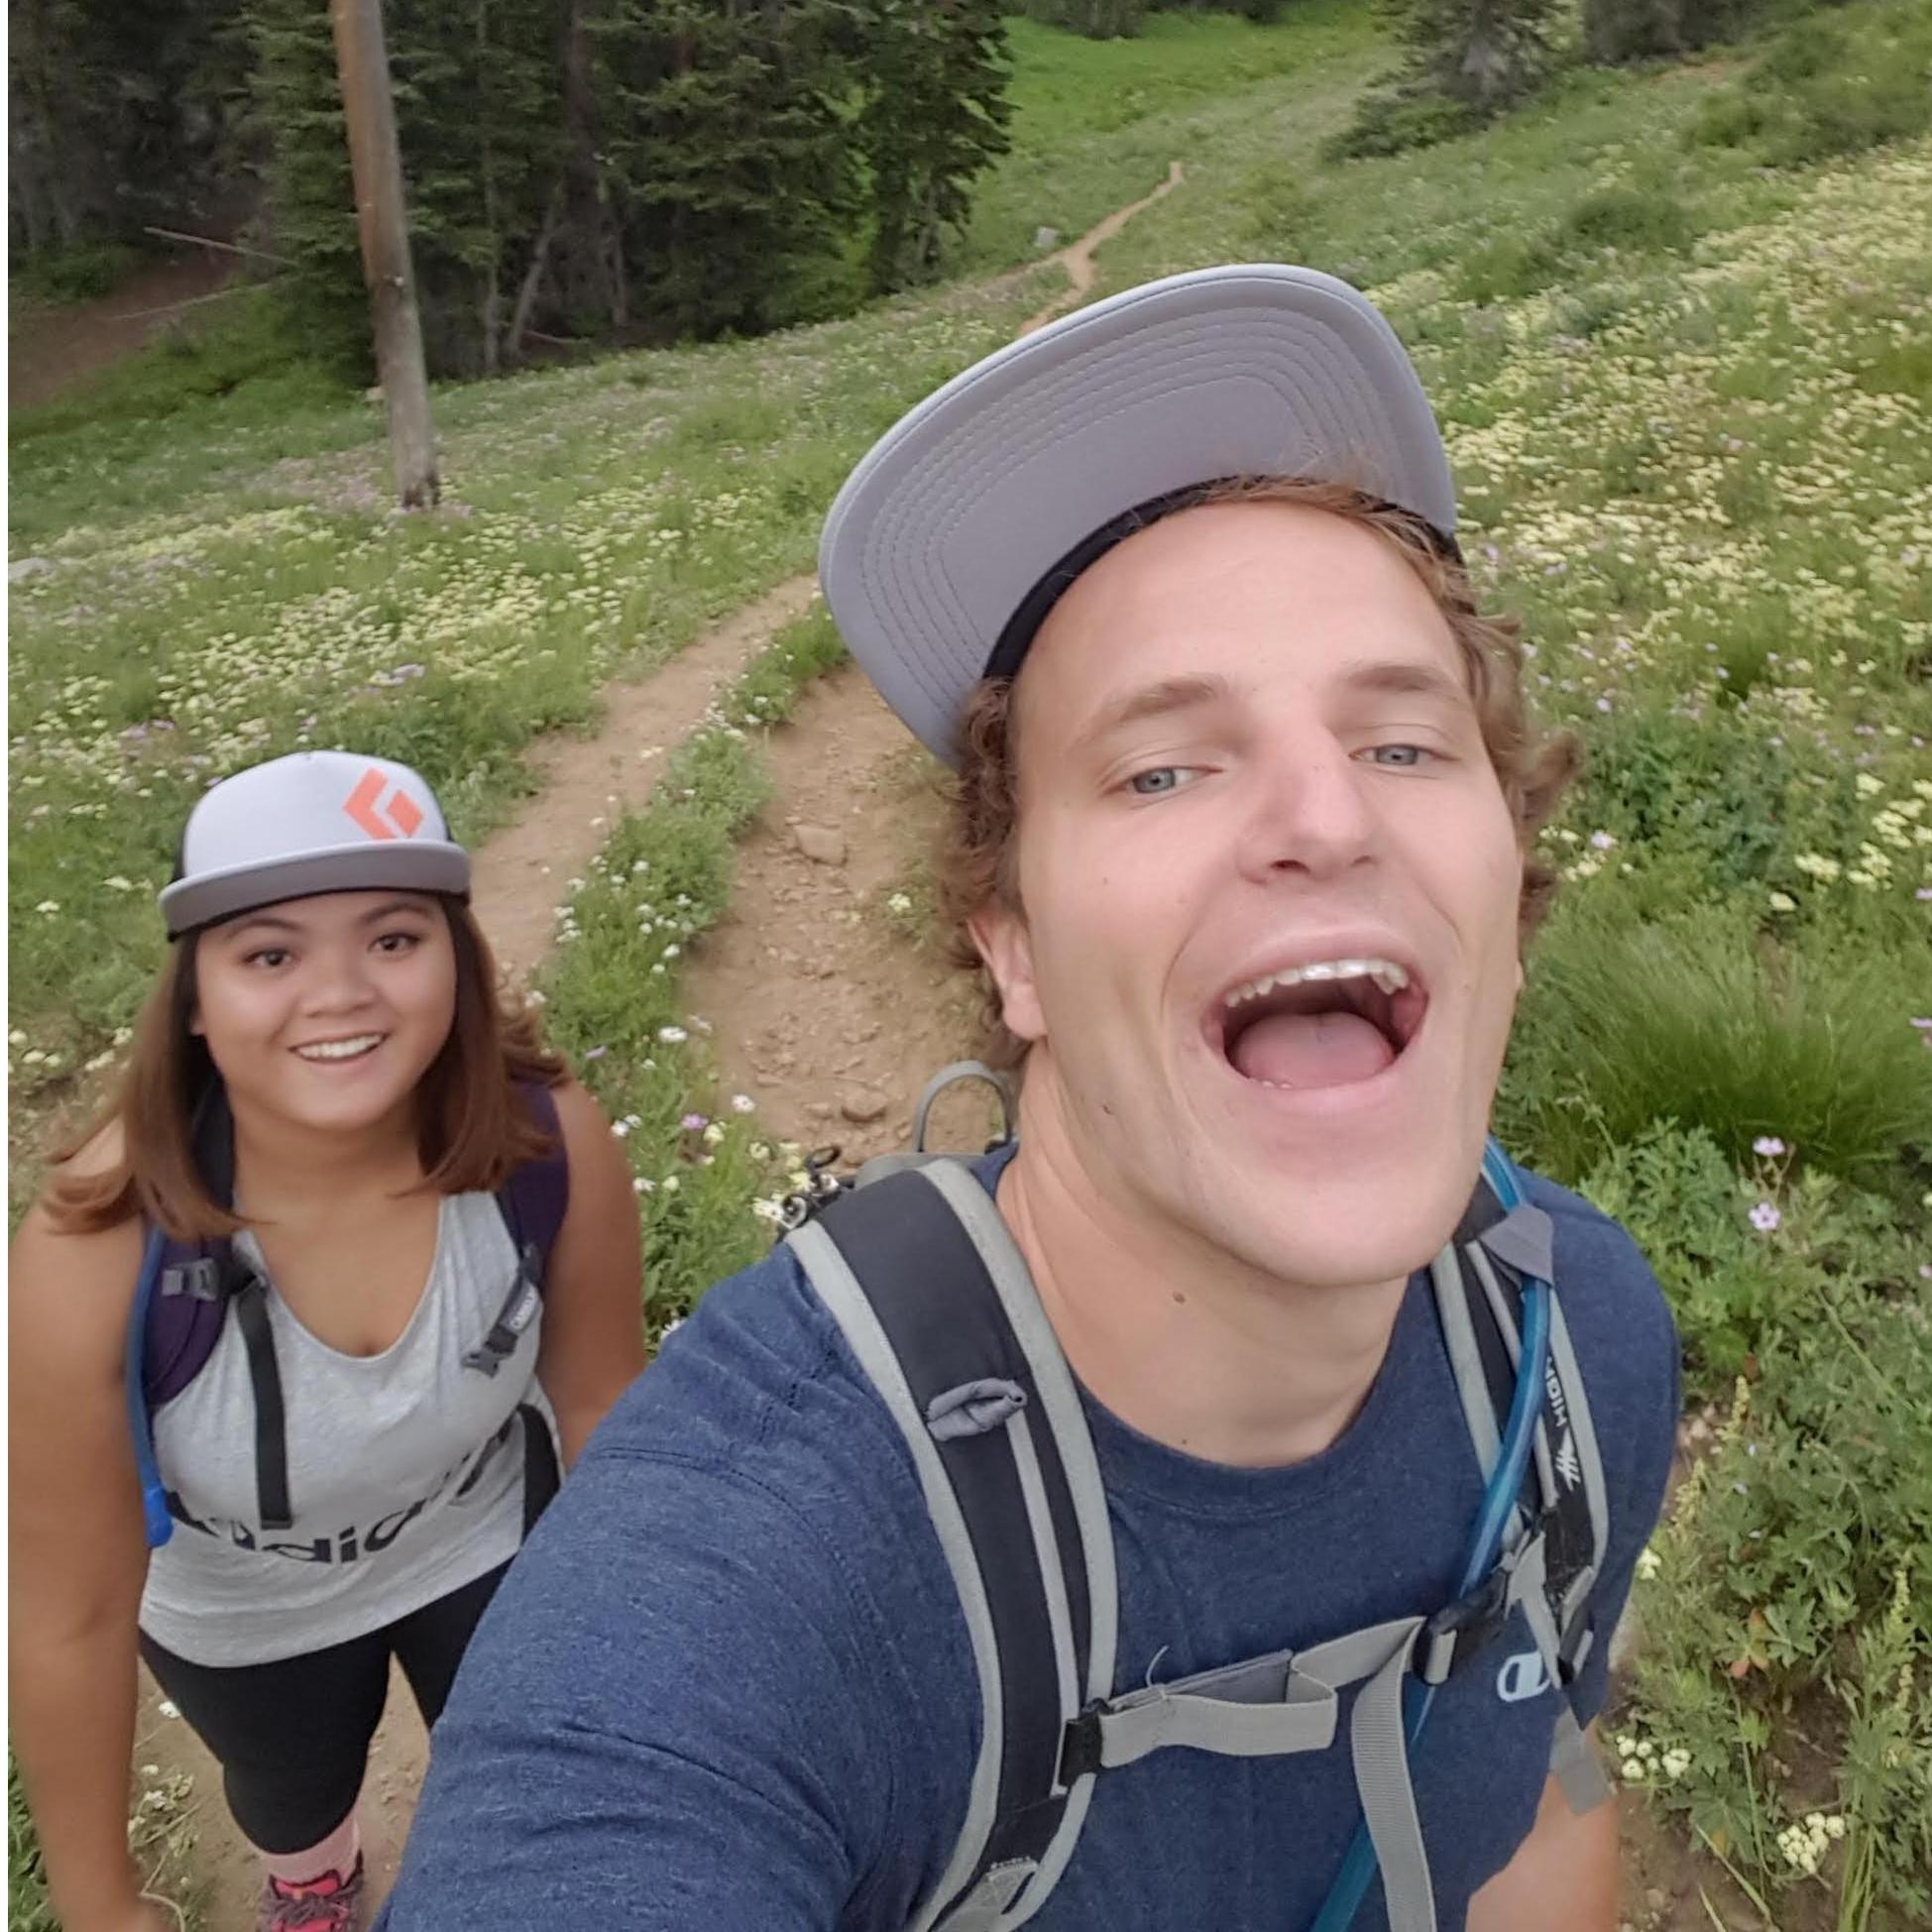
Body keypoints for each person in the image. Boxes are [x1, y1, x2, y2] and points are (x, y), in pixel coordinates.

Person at [375, 266, 1680, 1931]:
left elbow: (1537, 1803)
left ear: (1506, 872)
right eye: (1160, 765)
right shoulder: (752, 1575)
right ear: (1013, 947)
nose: (1323, 816)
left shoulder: (1578, 1350)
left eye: (1404, 744)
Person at [9, 750, 646, 1932]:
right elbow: (73, 1612)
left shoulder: (545, 1144)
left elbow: (601, 1407)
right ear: (194, 999)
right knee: (291, 1787)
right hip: (246, 1611)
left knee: (514, 1759)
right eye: (270, 954)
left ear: (458, 958)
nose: (340, 992)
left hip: (481, 1538)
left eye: (393, 937)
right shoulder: (96, 1245)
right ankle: (313, 1874)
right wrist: (99, 1904)